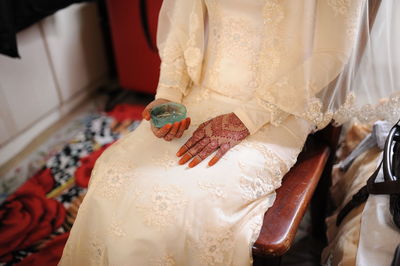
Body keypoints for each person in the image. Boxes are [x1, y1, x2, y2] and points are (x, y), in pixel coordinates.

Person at [59, 0, 395, 265]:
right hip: (202, 94)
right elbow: (180, 27)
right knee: (113, 175)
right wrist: (169, 94)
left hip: (278, 109)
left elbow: (332, 53)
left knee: (188, 206)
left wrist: (246, 118)